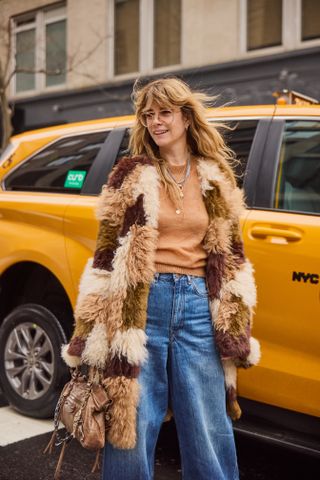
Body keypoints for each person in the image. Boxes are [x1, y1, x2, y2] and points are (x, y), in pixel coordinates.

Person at [62, 77, 260, 480]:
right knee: (131, 424)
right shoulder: (130, 175)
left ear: (186, 117)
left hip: (197, 309)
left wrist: (236, 327)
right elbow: (104, 258)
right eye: (148, 115)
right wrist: (85, 333)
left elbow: (233, 259)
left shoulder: (214, 177)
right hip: (141, 307)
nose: (155, 122)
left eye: (165, 112)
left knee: (206, 425)